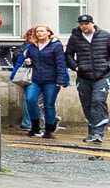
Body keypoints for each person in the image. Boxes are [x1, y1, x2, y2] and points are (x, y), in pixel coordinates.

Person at [13, 23, 68, 137]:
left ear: (49, 32)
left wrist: (61, 79)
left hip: (51, 80)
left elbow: (61, 63)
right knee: (30, 100)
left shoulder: (56, 45)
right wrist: (29, 62)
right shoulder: (32, 46)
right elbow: (26, 59)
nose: (39, 33)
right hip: (35, 79)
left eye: (42, 31)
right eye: (37, 31)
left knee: (48, 105)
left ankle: (48, 130)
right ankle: (35, 127)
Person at [65, 13, 109, 145]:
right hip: (84, 77)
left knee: (98, 101)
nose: (84, 26)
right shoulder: (75, 38)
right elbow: (68, 55)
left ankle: (98, 133)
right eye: (82, 24)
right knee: (87, 105)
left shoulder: (105, 36)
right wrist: (76, 67)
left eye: (87, 24)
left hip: (102, 76)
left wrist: (107, 66)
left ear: (92, 23)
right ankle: (92, 131)